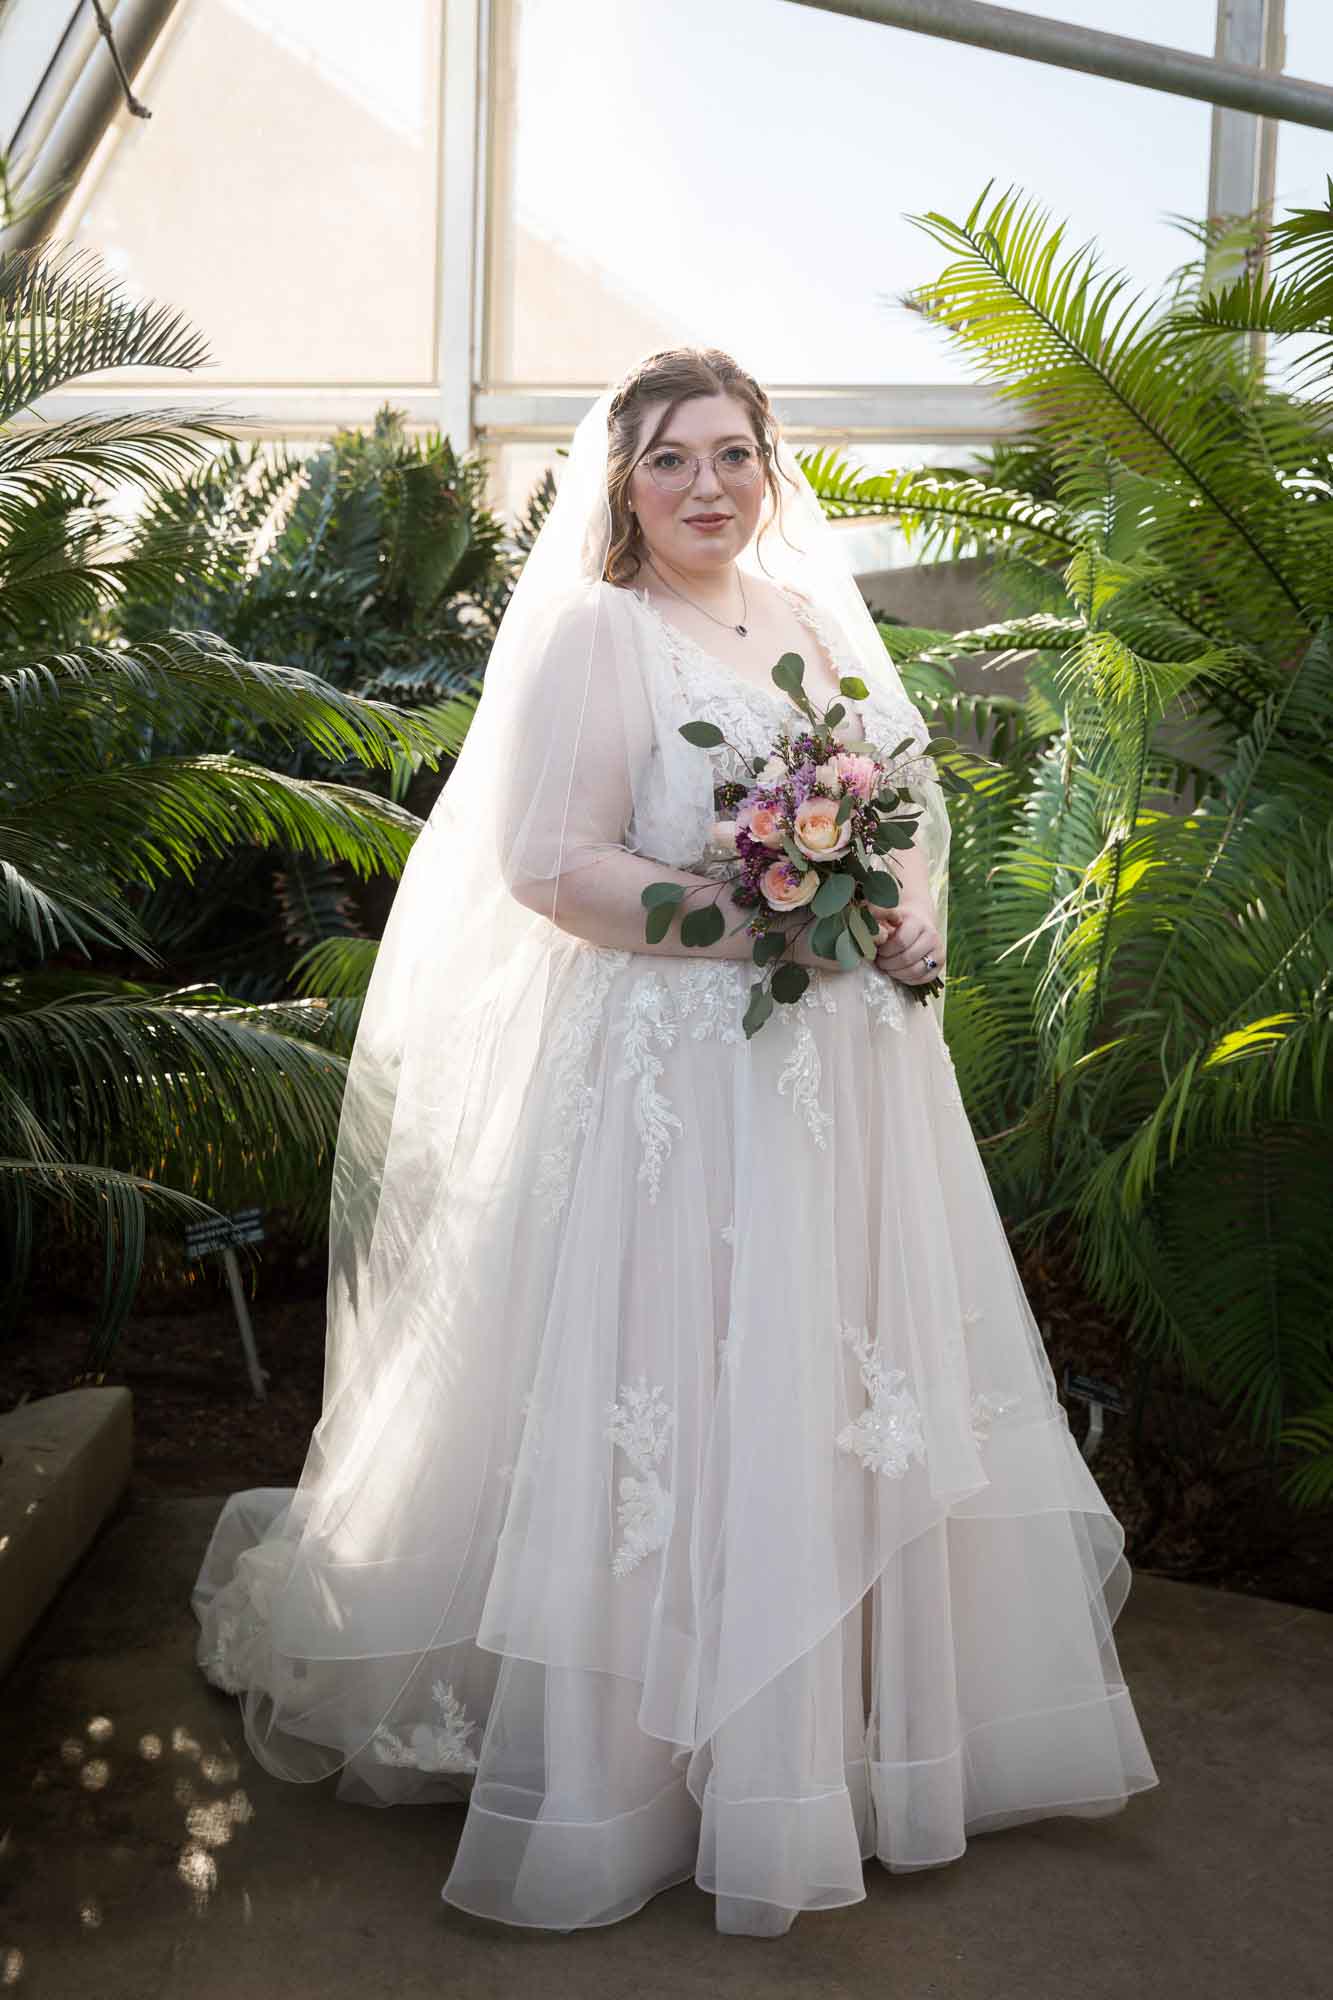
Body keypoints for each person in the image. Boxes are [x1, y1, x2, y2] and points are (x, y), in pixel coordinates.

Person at [191, 347, 1159, 1938]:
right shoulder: (597, 634)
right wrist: (770, 913)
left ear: (768, 468)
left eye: (728, 454)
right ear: (621, 487)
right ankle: (652, 1766)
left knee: (836, 1377)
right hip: (681, 1082)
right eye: (667, 461)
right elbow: (548, 866)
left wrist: (897, 925)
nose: (703, 486)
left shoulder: (802, 623)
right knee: (685, 1375)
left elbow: (902, 814)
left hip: (841, 1080)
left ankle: (843, 1731)